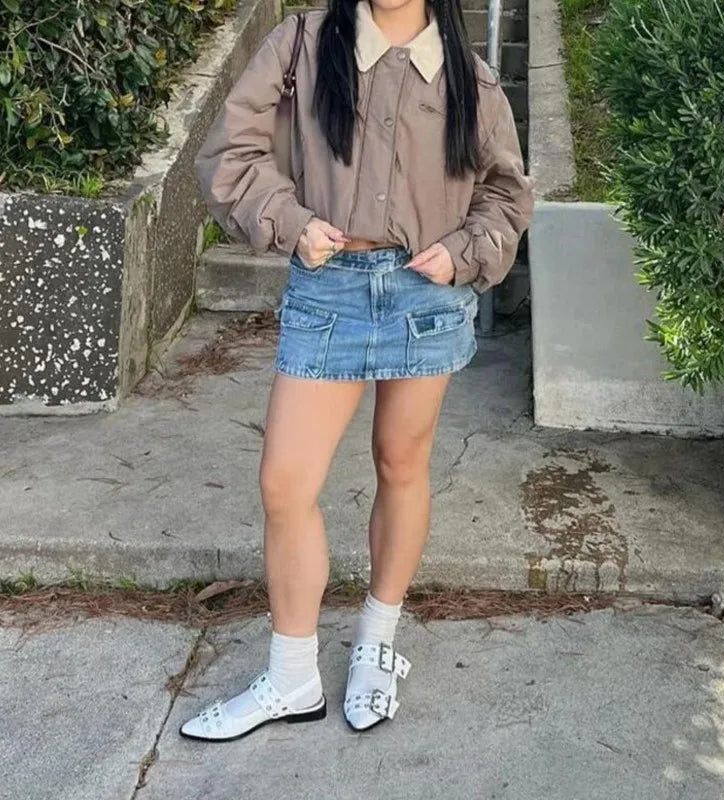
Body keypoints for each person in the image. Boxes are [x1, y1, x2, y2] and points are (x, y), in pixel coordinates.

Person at [181, 0, 534, 740]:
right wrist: (290, 222)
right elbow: (231, 150)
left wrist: (463, 253)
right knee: (285, 482)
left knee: (401, 464)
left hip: (423, 294)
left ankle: (377, 642)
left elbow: (506, 192)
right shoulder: (303, 44)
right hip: (329, 287)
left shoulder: (469, 77)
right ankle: (292, 675)